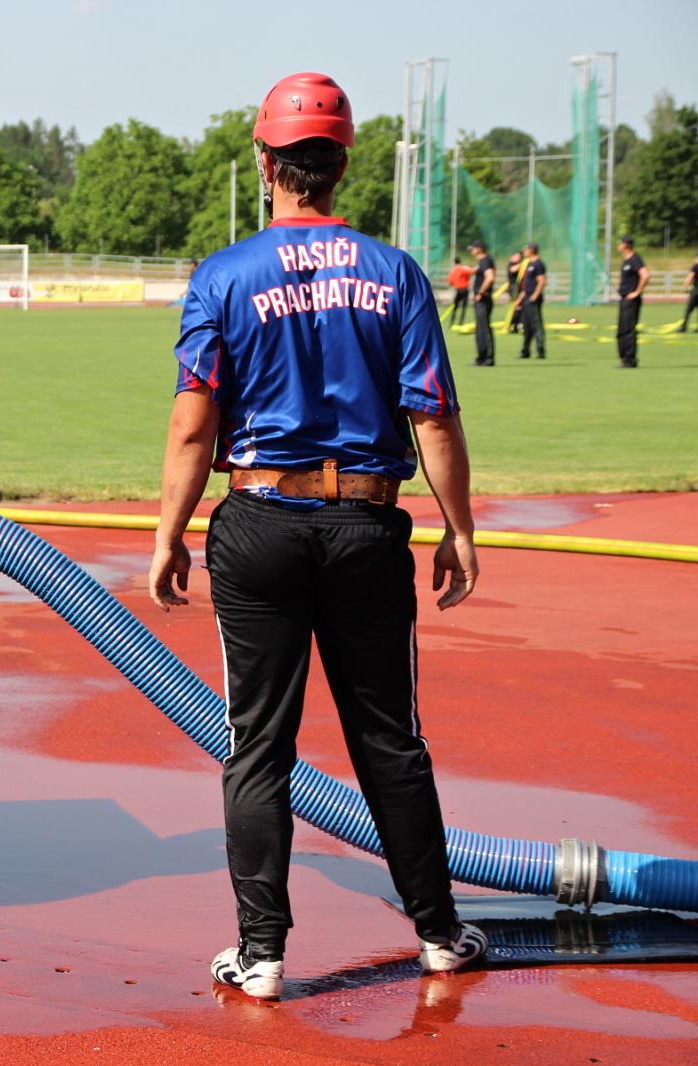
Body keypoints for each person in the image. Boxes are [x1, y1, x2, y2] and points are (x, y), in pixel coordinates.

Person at [149, 71, 487, 1002]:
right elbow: (436, 419)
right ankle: (437, 934)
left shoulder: (223, 276)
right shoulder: (396, 272)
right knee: (390, 738)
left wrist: (170, 534)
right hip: (368, 522)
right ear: (341, 167)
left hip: (256, 521)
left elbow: (192, 423)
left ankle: (260, 956)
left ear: (268, 163)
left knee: (258, 743)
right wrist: (459, 532)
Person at [615, 236, 649, 369]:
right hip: (624, 299)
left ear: (626, 245)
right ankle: (624, 358)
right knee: (621, 330)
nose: (618, 246)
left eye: (620, 243)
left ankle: (630, 359)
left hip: (631, 300)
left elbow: (645, 275)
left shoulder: (635, 259)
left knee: (628, 330)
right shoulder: (626, 260)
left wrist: (636, 292)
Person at [468, 240, 497, 366]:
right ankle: (481, 357)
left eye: (473, 248)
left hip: (483, 299)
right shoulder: (481, 262)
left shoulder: (486, 260)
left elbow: (490, 277)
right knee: (480, 329)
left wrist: (480, 292)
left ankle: (488, 358)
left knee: (484, 328)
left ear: (479, 249)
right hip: (480, 299)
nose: (471, 250)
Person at [518, 242, 547, 359]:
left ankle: (540, 351)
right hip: (526, 297)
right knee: (526, 325)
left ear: (532, 250)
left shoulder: (539, 264)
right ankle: (525, 351)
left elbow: (542, 281)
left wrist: (535, 295)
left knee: (536, 325)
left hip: (533, 298)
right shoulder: (529, 264)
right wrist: (519, 299)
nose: (524, 251)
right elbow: (527, 285)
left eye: (526, 249)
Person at [446, 257, 472, 325]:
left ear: (454, 263)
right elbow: (471, 272)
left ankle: (452, 322)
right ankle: (461, 323)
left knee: (455, 306)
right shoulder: (463, 269)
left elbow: (450, 281)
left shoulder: (453, 271)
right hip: (465, 290)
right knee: (464, 307)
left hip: (458, 290)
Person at [504, 251, 523, 332]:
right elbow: (513, 270)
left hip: (520, 288)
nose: (515, 257)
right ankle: (513, 325)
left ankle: (515, 325)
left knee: (519, 307)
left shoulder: (521, 266)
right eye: (515, 256)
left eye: (518, 256)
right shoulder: (511, 265)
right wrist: (524, 263)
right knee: (517, 307)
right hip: (514, 289)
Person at [681, 254, 698, 332]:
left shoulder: (695, 266)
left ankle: (683, 327)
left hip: (696, 291)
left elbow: (690, 277)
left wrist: (685, 287)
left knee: (688, 310)